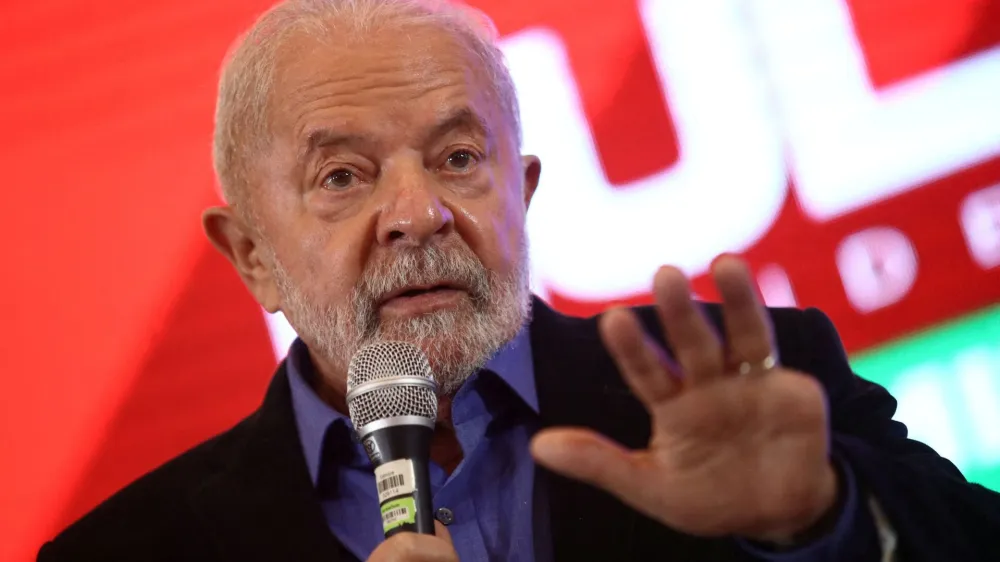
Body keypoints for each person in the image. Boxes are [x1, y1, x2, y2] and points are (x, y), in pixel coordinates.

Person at [38, 0, 1000, 560]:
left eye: (459, 158)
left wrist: (818, 520)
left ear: (523, 192)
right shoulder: (129, 553)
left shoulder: (762, 385)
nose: (419, 213)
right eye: (343, 176)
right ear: (250, 254)